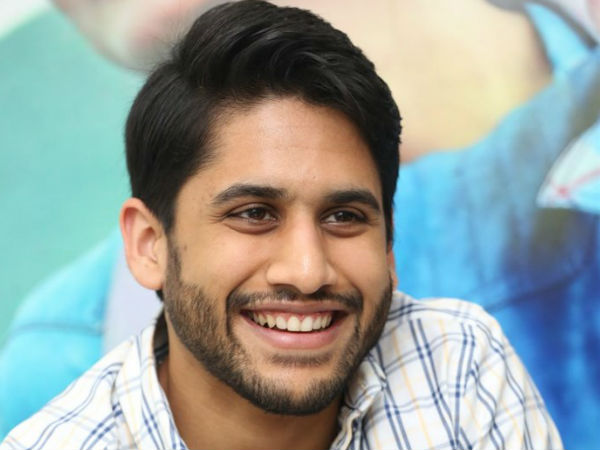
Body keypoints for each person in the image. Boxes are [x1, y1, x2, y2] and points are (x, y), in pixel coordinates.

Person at [0, 2, 561, 449]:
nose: (308, 271)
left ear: (390, 242)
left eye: (344, 217)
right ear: (150, 245)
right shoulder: (54, 380)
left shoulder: (457, 364)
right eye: (253, 214)